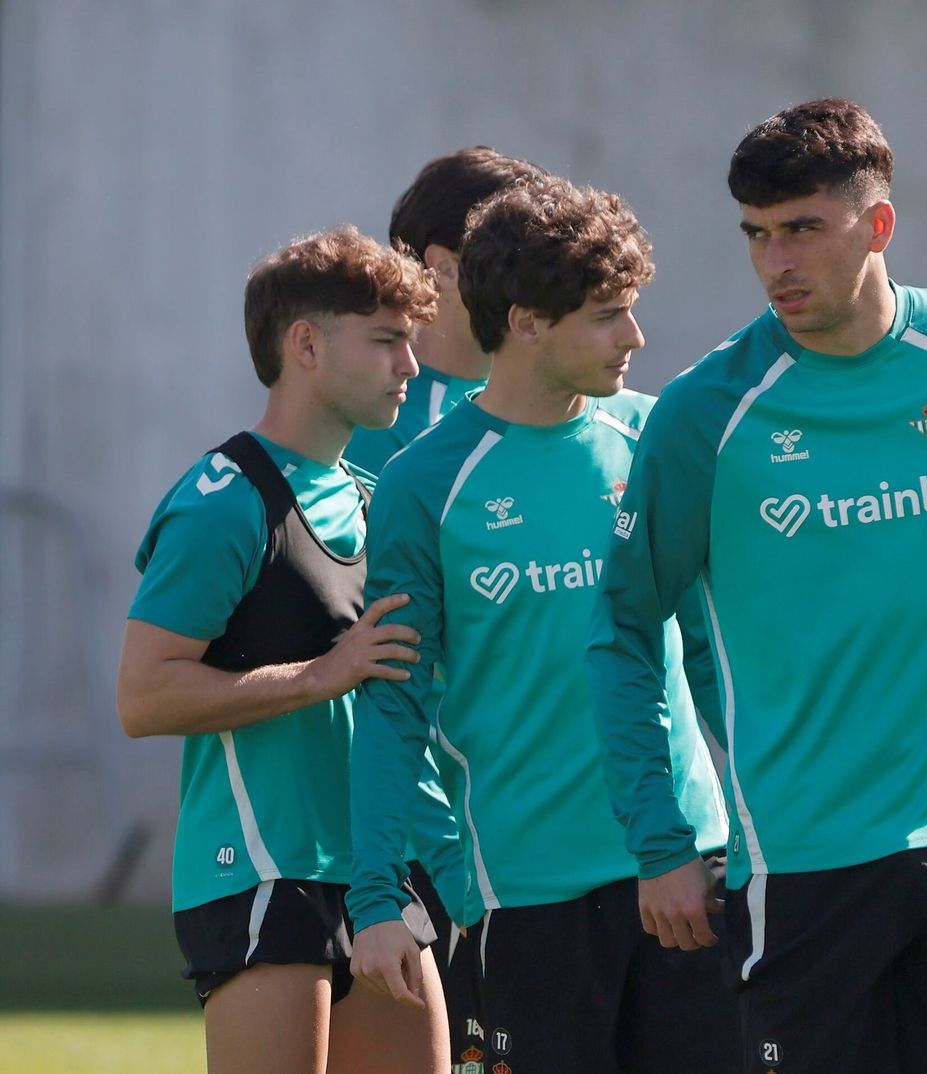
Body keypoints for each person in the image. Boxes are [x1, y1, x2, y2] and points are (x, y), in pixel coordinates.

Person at [588, 97, 927, 1074]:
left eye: (802, 231)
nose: (775, 264)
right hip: (798, 862)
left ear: (877, 225)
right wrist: (660, 837)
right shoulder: (708, 412)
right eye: (756, 236)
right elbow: (623, 625)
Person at [346, 176, 735, 1074]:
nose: (634, 338)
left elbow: (715, 653)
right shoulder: (422, 483)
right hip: (524, 896)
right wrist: (375, 898)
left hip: (683, 868)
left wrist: (763, 823)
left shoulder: (654, 441)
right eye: (607, 316)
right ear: (524, 322)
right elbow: (395, 704)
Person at [116, 226, 448, 1074]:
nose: (409, 366)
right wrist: (322, 674)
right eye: (386, 341)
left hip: (380, 868)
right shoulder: (223, 502)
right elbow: (143, 698)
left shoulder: (379, 500)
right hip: (264, 870)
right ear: (306, 343)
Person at [344, 146, 548, 1073]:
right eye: (504, 241)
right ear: (436, 266)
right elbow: (378, 668)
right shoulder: (384, 430)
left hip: (564, 833)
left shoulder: (559, 398)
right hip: (444, 848)